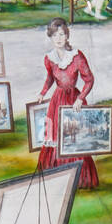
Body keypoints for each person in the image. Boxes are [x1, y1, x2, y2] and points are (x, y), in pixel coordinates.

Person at [35, 17, 99, 188]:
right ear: (50, 36)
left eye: (62, 34)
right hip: (57, 100)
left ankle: (79, 177)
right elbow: (49, 78)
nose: (58, 39)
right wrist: (42, 93)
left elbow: (89, 80)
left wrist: (80, 98)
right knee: (55, 135)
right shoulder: (49, 58)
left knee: (73, 136)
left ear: (67, 36)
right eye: (55, 35)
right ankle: (57, 174)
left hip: (73, 101)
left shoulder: (77, 56)